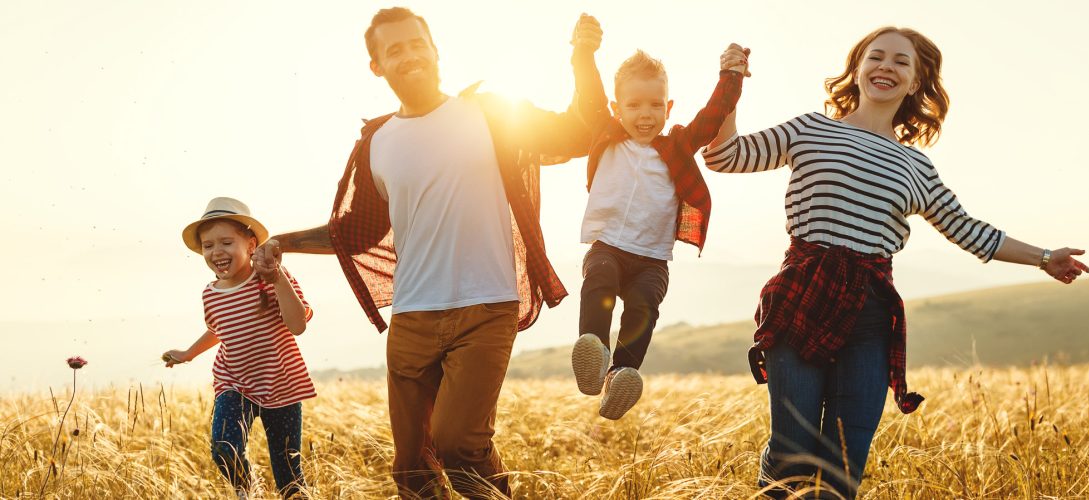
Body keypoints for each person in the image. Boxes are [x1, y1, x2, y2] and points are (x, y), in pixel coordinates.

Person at [703, 29, 1089, 498]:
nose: (886, 67)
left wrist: (1045, 258)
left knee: (844, 463)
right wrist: (730, 84)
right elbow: (724, 156)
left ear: (914, 83)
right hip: (802, 296)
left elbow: (969, 230)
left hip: (868, 313)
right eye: (876, 57)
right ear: (857, 69)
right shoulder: (810, 129)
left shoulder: (917, 168)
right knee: (792, 453)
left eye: (900, 63)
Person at [255, 8, 603, 498]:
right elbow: (356, 233)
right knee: (412, 469)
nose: (410, 54)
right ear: (377, 67)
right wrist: (282, 241)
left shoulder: (492, 114)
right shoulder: (376, 143)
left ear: (436, 50)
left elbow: (580, 133)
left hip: (485, 306)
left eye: (418, 43)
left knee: (459, 443)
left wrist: (583, 60)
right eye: (394, 49)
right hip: (412, 317)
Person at [569, 46, 745, 420]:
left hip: (652, 259)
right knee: (598, 281)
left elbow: (711, 118)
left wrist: (731, 75)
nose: (645, 115)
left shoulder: (677, 145)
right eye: (633, 106)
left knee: (644, 307)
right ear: (617, 109)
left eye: (654, 105)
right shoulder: (607, 134)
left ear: (669, 107)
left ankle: (621, 373)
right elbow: (588, 93)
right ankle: (594, 351)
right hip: (608, 246)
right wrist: (582, 52)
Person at [163, 197, 315, 499]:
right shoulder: (211, 294)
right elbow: (217, 331)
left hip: (281, 385)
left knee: (288, 474)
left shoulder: (274, 281)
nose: (216, 252)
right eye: (208, 246)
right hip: (235, 384)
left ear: (251, 245)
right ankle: (248, 491)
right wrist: (188, 353)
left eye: (226, 242)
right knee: (224, 448)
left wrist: (277, 278)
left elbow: (297, 325)